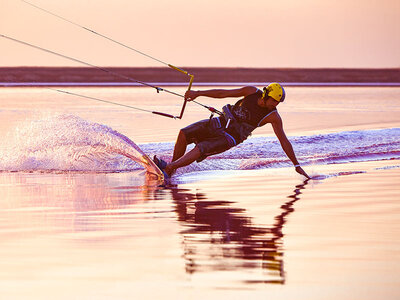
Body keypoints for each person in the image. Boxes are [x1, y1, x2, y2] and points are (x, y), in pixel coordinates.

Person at [154, 83, 310, 179]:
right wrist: (198, 93)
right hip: (220, 122)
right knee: (183, 133)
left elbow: (283, 140)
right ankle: (171, 171)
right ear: (266, 94)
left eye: (278, 102)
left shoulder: (273, 116)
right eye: (274, 100)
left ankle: (168, 168)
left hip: (230, 137)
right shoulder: (251, 91)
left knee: (200, 148)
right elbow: (223, 93)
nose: (275, 104)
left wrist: (296, 165)